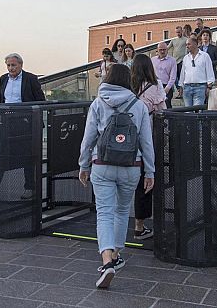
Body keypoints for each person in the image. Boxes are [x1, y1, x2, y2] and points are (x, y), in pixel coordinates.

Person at [78, 64, 155, 289]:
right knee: (122, 210)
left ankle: (106, 261)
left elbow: (88, 138)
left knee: (104, 212)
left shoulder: (98, 103)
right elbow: (146, 142)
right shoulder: (138, 105)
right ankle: (116, 255)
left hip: (102, 164)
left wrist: (83, 165)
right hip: (132, 166)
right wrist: (150, 171)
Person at [0, 53, 45, 199]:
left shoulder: (30, 79)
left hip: (25, 122)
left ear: (20, 65)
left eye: (13, 65)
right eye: (8, 65)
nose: (10, 68)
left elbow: (40, 100)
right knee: (0, 155)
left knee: (28, 157)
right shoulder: (3, 79)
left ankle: (30, 188)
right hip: (7, 121)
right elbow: (1, 99)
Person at [130, 55, 166, 241]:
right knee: (146, 181)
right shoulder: (155, 86)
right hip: (148, 139)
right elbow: (162, 111)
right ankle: (139, 225)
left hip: (125, 142)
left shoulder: (127, 86)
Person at [177, 37, 215, 107]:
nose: (187, 46)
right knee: (188, 112)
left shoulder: (205, 56)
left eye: (189, 44)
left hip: (200, 87)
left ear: (195, 44)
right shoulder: (186, 58)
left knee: (197, 111)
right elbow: (183, 73)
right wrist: (181, 86)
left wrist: (209, 87)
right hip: (187, 87)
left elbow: (210, 72)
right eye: (186, 44)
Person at [153, 42, 177, 108]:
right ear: (157, 50)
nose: (162, 51)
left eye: (164, 49)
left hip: (166, 86)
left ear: (167, 50)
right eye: (160, 50)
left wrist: (167, 88)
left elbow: (173, 76)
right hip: (155, 86)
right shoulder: (153, 60)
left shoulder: (172, 61)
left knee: (167, 105)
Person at [167, 26, 188, 97]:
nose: (178, 33)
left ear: (182, 31)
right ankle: (179, 90)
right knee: (174, 77)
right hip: (175, 61)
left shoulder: (186, 39)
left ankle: (181, 92)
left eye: (179, 32)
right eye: (177, 32)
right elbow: (167, 48)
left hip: (182, 61)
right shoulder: (173, 40)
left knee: (181, 77)